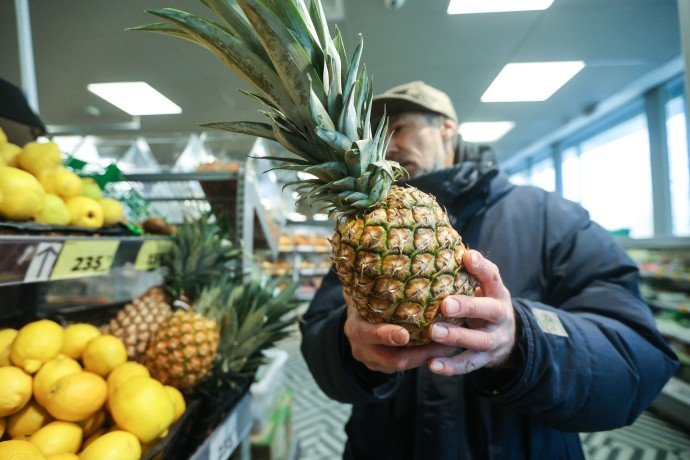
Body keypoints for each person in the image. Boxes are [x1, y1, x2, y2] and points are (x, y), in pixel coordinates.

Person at [299, 80, 680, 459]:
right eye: (376, 139)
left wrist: (522, 339)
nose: (388, 147)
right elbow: (317, 339)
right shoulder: (361, 238)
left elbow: (639, 359)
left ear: (447, 126)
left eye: (398, 127)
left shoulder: (552, 217)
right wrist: (346, 345)